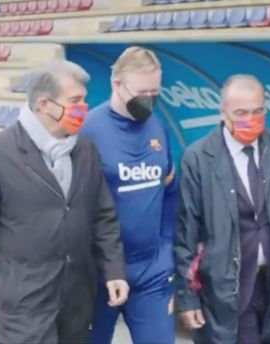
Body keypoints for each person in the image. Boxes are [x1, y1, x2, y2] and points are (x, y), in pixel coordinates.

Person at [0, 60, 130, 344]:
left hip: (75, 305)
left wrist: (114, 270)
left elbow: (102, 216)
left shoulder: (86, 150)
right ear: (44, 104)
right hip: (21, 305)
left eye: (84, 100)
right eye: (75, 101)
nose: (83, 108)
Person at [174, 74, 270, 344]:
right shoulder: (198, 158)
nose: (251, 119)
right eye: (241, 113)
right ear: (223, 112)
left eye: (258, 111)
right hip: (224, 290)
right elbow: (186, 234)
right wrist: (188, 297)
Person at [80, 47, 178, 344]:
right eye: (141, 92)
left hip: (151, 272)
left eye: (154, 92)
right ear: (117, 84)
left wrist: (166, 248)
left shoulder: (157, 127)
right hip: (98, 273)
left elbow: (170, 192)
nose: (148, 99)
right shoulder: (88, 131)